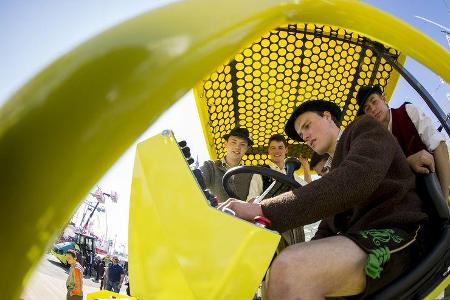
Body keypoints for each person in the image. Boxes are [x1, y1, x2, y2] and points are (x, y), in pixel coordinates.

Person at [219, 100, 433, 298]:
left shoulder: (364, 128)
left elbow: (354, 180)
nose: (305, 136)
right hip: (359, 238)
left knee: (290, 270)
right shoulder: (334, 169)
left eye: (307, 126)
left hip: (399, 232)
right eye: (301, 133)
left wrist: (263, 210)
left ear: (328, 117)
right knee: (270, 278)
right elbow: (329, 225)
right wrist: (308, 249)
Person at [356, 85, 449, 201]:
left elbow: (439, 146)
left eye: (374, 102)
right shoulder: (374, 142)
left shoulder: (407, 111)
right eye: (367, 109)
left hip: (433, 188)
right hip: (405, 205)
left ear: (384, 99)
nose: (373, 109)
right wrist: (406, 162)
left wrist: (444, 203)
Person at [200, 127, 253, 202]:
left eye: (242, 144)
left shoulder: (251, 173)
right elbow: (196, 183)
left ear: (247, 148)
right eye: (233, 142)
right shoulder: (210, 166)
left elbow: (253, 200)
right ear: (226, 144)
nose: (237, 147)